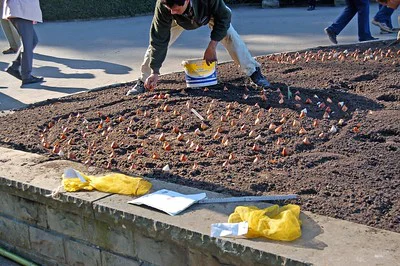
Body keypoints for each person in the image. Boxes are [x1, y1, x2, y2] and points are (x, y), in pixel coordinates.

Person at [126, 0, 271, 95]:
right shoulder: (165, 7)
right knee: (154, 47)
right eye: (169, 8)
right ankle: (143, 80)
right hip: (179, 22)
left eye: (175, 9)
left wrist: (212, 45)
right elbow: (158, 40)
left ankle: (254, 72)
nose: (171, 11)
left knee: (231, 36)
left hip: (208, 14)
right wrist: (155, 70)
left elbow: (224, 17)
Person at [3, 0, 44, 85]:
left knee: (32, 41)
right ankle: (26, 76)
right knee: (27, 44)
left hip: (21, 11)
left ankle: (15, 66)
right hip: (21, 11)